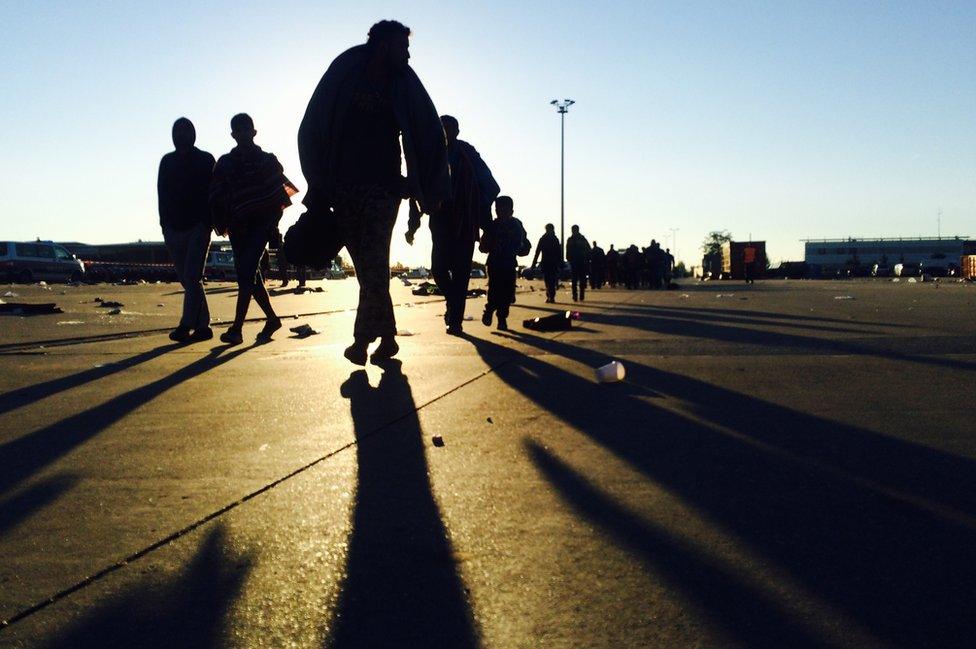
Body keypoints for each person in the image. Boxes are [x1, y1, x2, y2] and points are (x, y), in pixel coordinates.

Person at [298, 20, 450, 365]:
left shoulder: (404, 83)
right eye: (403, 47)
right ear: (382, 45)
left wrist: (427, 184)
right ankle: (389, 340)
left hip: (385, 188)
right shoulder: (345, 71)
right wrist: (318, 184)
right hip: (345, 188)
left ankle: (361, 341)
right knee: (370, 268)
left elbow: (428, 130)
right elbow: (313, 124)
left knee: (373, 260)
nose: (408, 55)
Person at [209, 113, 297, 345]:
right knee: (250, 275)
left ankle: (237, 329)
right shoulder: (226, 163)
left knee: (246, 272)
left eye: (246, 129)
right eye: (239, 130)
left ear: (254, 132)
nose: (243, 133)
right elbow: (217, 196)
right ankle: (272, 319)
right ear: (233, 134)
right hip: (238, 227)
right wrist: (224, 219)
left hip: (260, 227)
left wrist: (271, 225)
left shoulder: (267, 162)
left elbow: (278, 198)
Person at [407, 115, 499, 335]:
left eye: (449, 128)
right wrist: (413, 225)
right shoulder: (430, 156)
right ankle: (453, 299)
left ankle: (455, 320)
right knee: (438, 269)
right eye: (441, 128)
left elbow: (489, 185)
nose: (445, 132)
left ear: (457, 131)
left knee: (460, 274)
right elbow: (417, 188)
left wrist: (483, 218)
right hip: (440, 220)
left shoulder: (468, 154)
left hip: (465, 222)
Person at [157, 117, 215, 343]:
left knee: (192, 276)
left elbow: (214, 192)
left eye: (185, 131)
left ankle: (186, 325)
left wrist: (207, 222)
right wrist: (164, 225)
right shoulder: (167, 162)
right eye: (177, 131)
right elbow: (161, 193)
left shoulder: (205, 160)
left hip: (198, 227)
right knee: (189, 280)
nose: (180, 135)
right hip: (173, 228)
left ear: (193, 134)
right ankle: (204, 326)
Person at [480, 196, 529, 331]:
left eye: (504, 210)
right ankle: (490, 311)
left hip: (509, 264)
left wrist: (520, 248)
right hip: (495, 264)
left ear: (511, 211)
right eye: (498, 210)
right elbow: (483, 246)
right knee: (494, 291)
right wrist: (490, 245)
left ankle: (502, 318)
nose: (501, 213)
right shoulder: (493, 226)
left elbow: (525, 245)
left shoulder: (516, 225)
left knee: (507, 294)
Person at [531, 223, 562, 303]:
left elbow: (537, 252)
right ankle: (551, 296)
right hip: (552, 263)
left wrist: (533, 264)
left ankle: (550, 296)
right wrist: (560, 262)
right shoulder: (555, 239)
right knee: (551, 280)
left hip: (546, 262)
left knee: (548, 280)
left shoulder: (543, 238)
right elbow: (559, 252)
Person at [565, 225, 591, 301]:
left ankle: (576, 295)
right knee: (580, 280)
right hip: (579, 262)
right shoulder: (581, 239)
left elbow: (568, 250)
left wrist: (569, 258)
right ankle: (579, 295)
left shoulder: (572, 239)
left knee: (575, 280)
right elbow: (588, 249)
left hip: (577, 262)